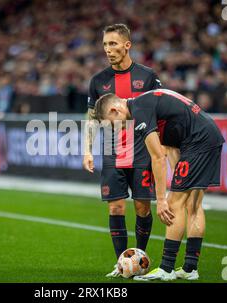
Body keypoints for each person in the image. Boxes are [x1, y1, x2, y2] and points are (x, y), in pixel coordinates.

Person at [94, 89, 225, 281]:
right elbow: (171, 146)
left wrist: (162, 199)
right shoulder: (146, 103)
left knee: (174, 204)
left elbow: (157, 157)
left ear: (115, 110)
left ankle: (166, 268)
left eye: (112, 124)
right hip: (205, 137)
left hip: (198, 143)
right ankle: (190, 268)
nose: (116, 129)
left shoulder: (139, 111)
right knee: (193, 205)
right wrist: (178, 179)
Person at [82, 24, 162, 278]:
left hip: (141, 151)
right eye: (105, 44)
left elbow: (161, 111)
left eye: (113, 44)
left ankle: (138, 260)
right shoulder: (98, 81)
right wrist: (87, 150)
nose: (108, 49)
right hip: (112, 151)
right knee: (115, 207)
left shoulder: (148, 76)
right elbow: (92, 117)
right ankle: (121, 264)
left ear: (127, 45)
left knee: (142, 208)